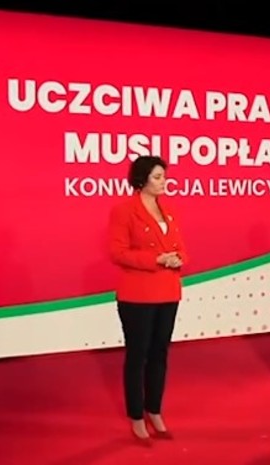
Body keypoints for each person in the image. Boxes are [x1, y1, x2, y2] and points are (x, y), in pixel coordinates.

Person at [107, 155, 189, 445]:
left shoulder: (169, 210)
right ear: (142, 180)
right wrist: (156, 259)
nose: (163, 182)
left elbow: (181, 247)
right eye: (157, 177)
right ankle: (136, 416)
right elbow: (118, 253)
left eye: (164, 176)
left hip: (168, 291)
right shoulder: (124, 211)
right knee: (138, 355)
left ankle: (154, 409)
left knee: (159, 354)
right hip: (138, 294)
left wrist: (179, 258)